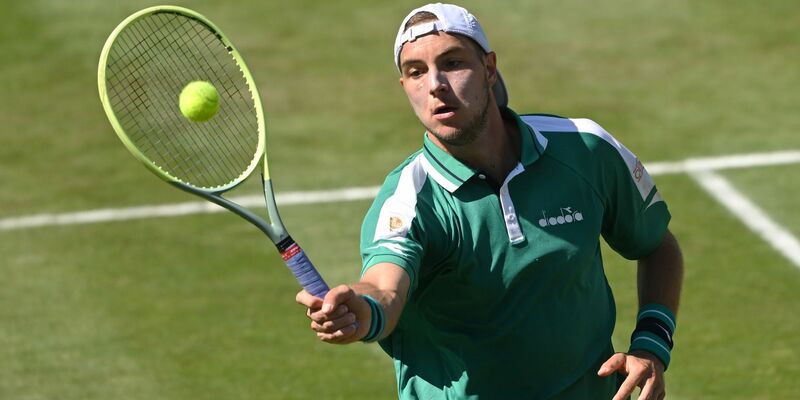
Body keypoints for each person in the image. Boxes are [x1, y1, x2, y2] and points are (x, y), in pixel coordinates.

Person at [295, 3, 684, 399]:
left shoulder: (584, 150)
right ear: (404, 87)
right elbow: (385, 288)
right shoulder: (409, 201)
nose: (435, 85)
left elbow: (655, 245)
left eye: (452, 63)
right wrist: (362, 310)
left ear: (489, 68)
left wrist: (651, 344)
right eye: (416, 72)